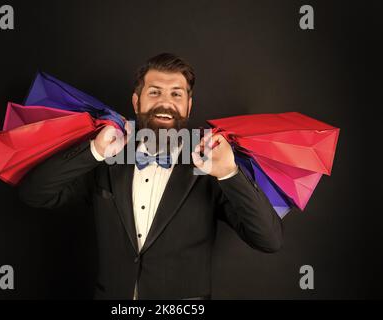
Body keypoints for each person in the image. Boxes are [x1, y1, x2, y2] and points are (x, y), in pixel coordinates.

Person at [18, 53, 283, 299]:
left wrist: (229, 173)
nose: (165, 103)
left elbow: (269, 240)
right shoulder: (106, 160)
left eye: (176, 94)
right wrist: (94, 151)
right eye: (154, 92)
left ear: (189, 106)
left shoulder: (210, 168)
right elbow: (34, 193)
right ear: (137, 102)